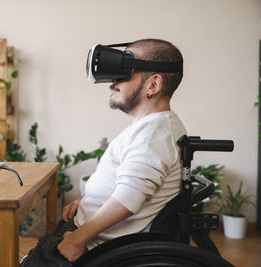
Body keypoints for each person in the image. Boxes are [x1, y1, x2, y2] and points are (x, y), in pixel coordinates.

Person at [20, 38, 187, 266]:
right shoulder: (155, 127)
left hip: (94, 248)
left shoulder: (153, 135)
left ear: (153, 85)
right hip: (90, 235)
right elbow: (128, 184)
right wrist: (87, 200)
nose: (112, 81)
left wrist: (77, 240)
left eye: (125, 71)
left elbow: (128, 198)